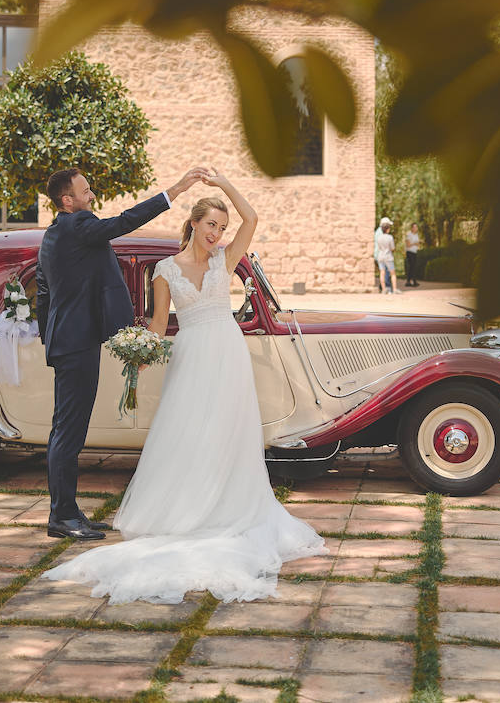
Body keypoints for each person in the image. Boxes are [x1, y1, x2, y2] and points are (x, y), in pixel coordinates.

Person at [42, 171, 326, 602]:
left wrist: (226, 184)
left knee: (229, 435)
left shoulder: (224, 261)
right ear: (193, 223)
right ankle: (159, 511)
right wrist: (139, 347)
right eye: (210, 224)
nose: (217, 233)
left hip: (228, 355)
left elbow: (251, 219)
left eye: (221, 227)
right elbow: (158, 325)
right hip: (190, 355)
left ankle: (225, 505)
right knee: (188, 433)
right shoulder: (162, 268)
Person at [35, 165, 207, 541]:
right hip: (76, 345)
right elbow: (124, 222)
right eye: (85, 190)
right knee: (68, 432)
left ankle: (66, 510)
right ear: (68, 201)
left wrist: (52, 339)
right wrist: (175, 189)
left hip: (68, 342)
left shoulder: (52, 235)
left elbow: (43, 293)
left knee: (68, 429)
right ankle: (61, 518)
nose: (91, 195)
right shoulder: (78, 227)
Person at [374, 217, 396, 294]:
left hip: (380, 255)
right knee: (387, 272)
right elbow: (391, 247)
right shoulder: (384, 234)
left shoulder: (378, 233)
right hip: (385, 255)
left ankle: (383, 288)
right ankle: (387, 288)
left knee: (382, 272)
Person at [404, 222, 422, 287]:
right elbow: (408, 245)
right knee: (411, 267)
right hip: (409, 252)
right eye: (414, 227)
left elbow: (417, 243)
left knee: (414, 267)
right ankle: (410, 281)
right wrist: (415, 243)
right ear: (411, 228)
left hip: (414, 252)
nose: (415, 228)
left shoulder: (416, 235)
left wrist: (418, 244)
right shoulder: (409, 234)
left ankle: (412, 281)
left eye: (416, 227)